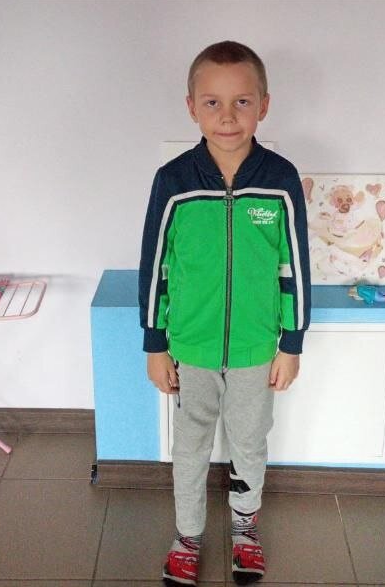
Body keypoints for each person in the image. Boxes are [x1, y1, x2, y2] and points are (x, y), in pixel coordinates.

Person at [139, 40, 311, 586]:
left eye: (242, 102)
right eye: (212, 102)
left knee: (250, 441)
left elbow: (295, 267)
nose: (228, 116)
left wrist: (291, 343)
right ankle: (188, 536)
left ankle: (244, 527)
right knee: (189, 446)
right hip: (189, 347)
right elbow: (155, 266)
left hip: (256, 349)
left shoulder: (280, 179)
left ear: (264, 105)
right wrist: (155, 343)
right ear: (192, 107)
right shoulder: (173, 180)